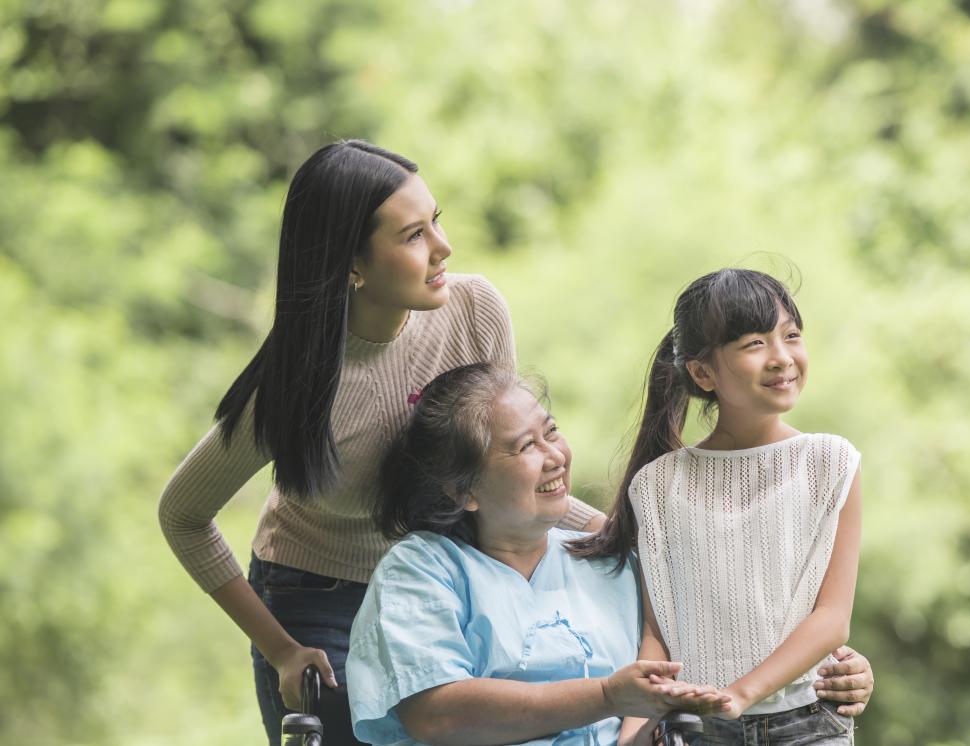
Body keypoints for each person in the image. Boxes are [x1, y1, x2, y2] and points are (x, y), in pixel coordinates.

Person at [156, 140, 605, 745]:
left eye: (436, 222)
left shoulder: (475, 310)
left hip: (450, 583)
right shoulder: (294, 389)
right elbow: (183, 515)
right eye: (414, 235)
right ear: (352, 265)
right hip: (323, 603)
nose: (443, 248)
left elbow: (500, 476)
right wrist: (281, 649)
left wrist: (619, 533)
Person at [349, 363, 733, 745]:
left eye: (551, 432)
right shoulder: (421, 569)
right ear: (462, 490)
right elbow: (435, 714)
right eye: (526, 446)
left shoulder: (610, 564)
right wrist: (605, 696)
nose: (555, 457)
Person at [569, 268, 862, 745]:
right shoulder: (658, 486)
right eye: (754, 344)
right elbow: (659, 634)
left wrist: (740, 694)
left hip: (808, 723)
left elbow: (832, 619)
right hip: (697, 731)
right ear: (703, 372)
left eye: (791, 336)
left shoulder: (831, 463)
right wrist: (632, 737)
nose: (782, 357)